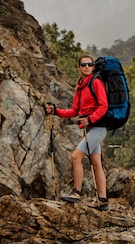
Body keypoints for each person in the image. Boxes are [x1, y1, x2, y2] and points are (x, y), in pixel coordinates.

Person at [45, 54, 109, 210]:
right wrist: (55, 111)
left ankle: (77, 193)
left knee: (75, 157)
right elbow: (75, 110)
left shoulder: (96, 82)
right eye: (83, 64)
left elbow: (103, 106)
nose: (87, 66)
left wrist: (90, 119)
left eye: (89, 64)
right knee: (96, 164)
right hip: (90, 128)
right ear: (78, 67)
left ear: (93, 67)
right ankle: (103, 201)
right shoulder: (80, 86)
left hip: (98, 128)